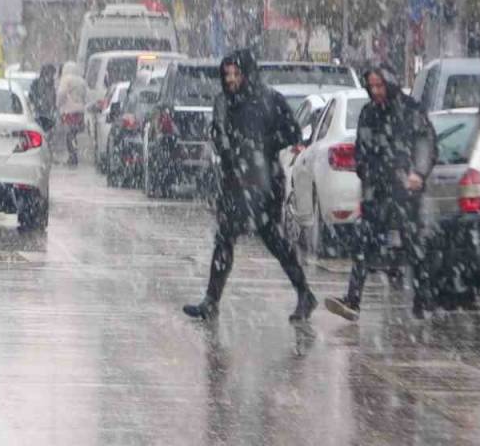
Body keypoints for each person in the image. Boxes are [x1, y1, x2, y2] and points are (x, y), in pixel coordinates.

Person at [184, 49, 317, 322]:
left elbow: (292, 131)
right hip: (233, 181)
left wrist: (263, 145)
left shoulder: (269, 100)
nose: (231, 79)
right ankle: (211, 300)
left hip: (264, 181)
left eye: (236, 74)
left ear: (246, 74)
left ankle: (304, 293)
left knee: (273, 238)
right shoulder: (222, 102)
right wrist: (223, 145)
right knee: (224, 239)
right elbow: (218, 133)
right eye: (227, 74)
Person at [325, 67, 436, 321]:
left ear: (390, 84)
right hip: (376, 191)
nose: (375, 91)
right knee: (364, 243)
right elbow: (361, 149)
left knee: (413, 245)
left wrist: (418, 173)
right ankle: (353, 300)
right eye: (371, 86)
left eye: (380, 86)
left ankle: (422, 301)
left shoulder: (410, 109)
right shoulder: (369, 113)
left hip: (405, 192)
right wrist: (365, 171)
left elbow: (426, 142)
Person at [56, 61, 90, 166]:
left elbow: (61, 94)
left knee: (69, 134)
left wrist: (58, 104)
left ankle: (72, 155)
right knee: (74, 133)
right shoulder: (82, 81)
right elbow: (86, 96)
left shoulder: (65, 80)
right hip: (80, 111)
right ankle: (74, 152)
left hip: (68, 111)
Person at [29, 64, 58, 138]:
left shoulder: (53, 83)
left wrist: (54, 105)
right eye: (50, 73)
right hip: (40, 109)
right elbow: (32, 95)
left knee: (49, 127)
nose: (52, 75)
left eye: (53, 73)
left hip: (48, 109)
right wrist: (38, 102)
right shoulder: (37, 83)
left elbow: (54, 95)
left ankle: (47, 138)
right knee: (41, 126)